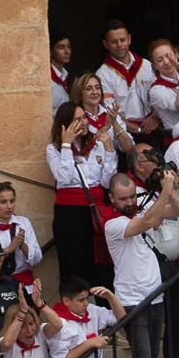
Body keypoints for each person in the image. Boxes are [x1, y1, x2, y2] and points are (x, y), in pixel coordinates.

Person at [104, 170, 179, 358]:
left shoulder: (144, 210)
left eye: (131, 197)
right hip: (131, 301)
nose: (129, 203)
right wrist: (164, 190)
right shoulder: (112, 223)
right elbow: (146, 223)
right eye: (123, 199)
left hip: (155, 297)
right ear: (111, 198)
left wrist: (169, 188)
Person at [47, 101, 118, 286]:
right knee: (74, 264)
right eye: (77, 119)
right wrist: (66, 145)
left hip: (97, 210)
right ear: (66, 125)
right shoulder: (54, 149)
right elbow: (63, 177)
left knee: (100, 263)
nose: (84, 122)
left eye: (84, 117)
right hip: (70, 214)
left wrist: (109, 150)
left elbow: (106, 182)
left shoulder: (97, 144)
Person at [96, 19, 158, 137]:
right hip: (124, 132)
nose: (119, 45)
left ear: (129, 39)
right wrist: (135, 129)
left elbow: (161, 92)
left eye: (122, 40)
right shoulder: (102, 74)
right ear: (105, 44)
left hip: (154, 125)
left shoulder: (146, 65)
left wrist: (155, 116)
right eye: (114, 42)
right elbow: (109, 111)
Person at [0, 182, 42, 287]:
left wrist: (22, 244)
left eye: (12, 201)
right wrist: (10, 248)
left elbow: (37, 259)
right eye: (3, 202)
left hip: (24, 281)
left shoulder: (23, 223)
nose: (9, 206)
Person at [147, 39, 179, 137]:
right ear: (154, 66)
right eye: (160, 60)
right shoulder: (156, 90)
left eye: (169, 56)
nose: (166, 62)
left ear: (176, 55)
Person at [49, 31, 71, 114]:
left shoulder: (65, 76)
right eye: (61, 47)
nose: (67, 51)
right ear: (51, 51)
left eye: (68, 47)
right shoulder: (48, 79)